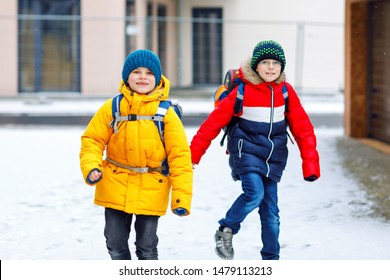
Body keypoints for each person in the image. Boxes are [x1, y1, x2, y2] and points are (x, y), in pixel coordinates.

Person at [190, 40, 320, 260]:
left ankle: (271, 259)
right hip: (246, 151)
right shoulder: (242, 91)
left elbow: (303, 129)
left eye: (276, 63)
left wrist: (310, 164)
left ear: (282, 67)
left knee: (271, 214)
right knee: (255, 193)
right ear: (255, 66)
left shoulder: (286, 92)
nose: (271, 67)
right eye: (265, 62)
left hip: (274, 157)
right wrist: (193, 155)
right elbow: (211, 125)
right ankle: (226, 228)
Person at [79, 49, 193, 260]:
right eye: (137, 72)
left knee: (147, 246)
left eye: (149, 73)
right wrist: (91, 166)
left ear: (157, 78)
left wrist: (181, 198)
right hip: (115, 183)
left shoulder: (166, 113)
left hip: (152, 185)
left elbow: (180, 157)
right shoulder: (113, 107)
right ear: (126, 77)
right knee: (114, 242)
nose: (143, 77)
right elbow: (92, 140)